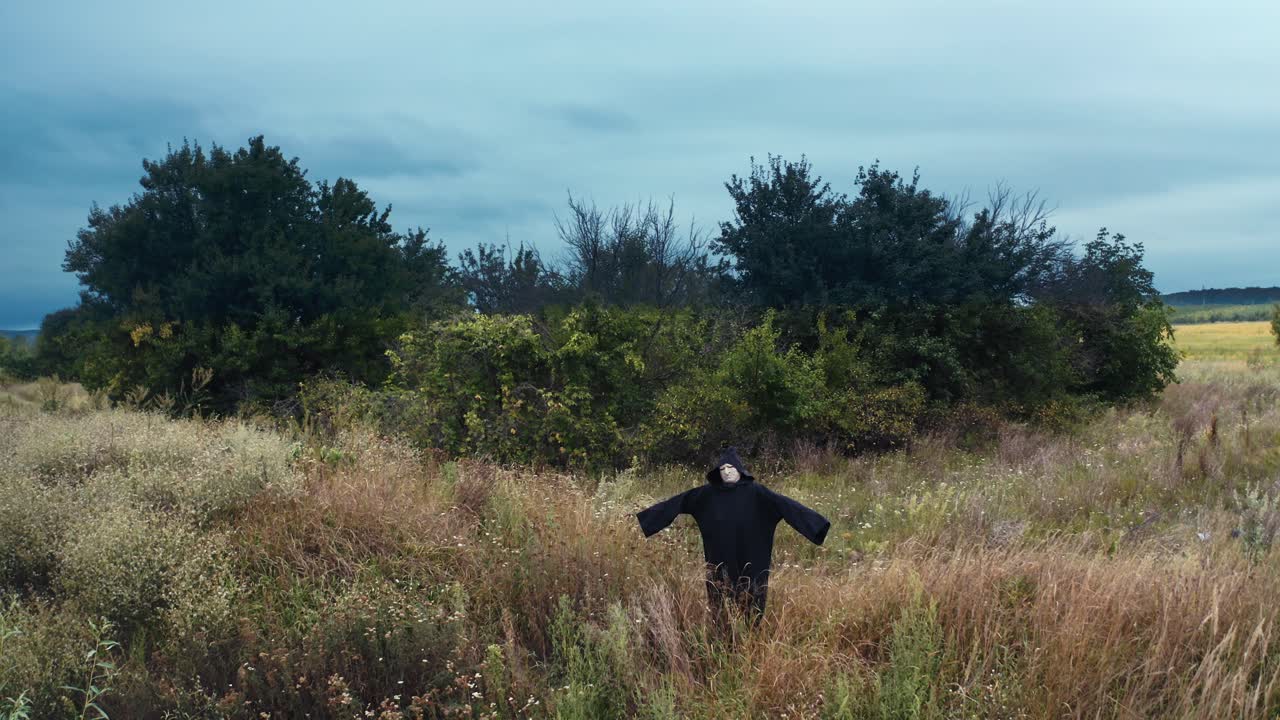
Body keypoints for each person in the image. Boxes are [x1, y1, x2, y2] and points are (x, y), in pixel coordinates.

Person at [635, 446, 830, 627]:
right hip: (720, 557)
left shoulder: (758, 493)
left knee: (752, 599)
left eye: (730, 467)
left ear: (740, 469)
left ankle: (749, 636)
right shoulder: (707, 495)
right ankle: (723, 632)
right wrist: (648, 520)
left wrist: (817, 527)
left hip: (752, 556)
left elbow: (788, 507)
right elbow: (677, 502)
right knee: (721, 600)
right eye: (722, 469)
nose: (726, 472)